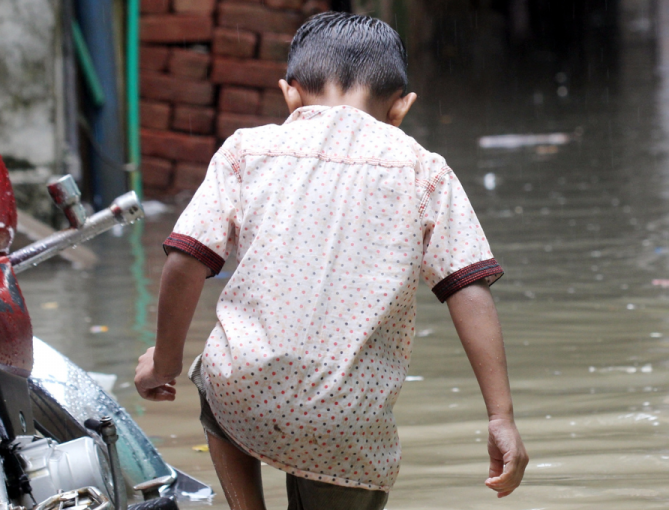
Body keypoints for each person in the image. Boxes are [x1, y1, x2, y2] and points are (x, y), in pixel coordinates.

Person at [133, 12, 528, 510]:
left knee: (215, 375)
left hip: (246, 390)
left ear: (290, 93)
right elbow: (468, 289)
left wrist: (163, 363)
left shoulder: (246, 151)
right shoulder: (424, 172)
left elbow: (186, 260)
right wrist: (501, 418)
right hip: (346, 416)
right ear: (400, 109)